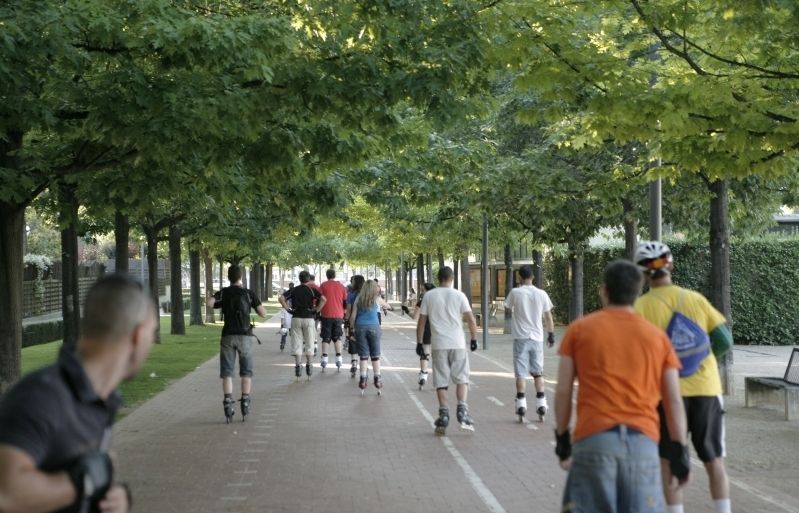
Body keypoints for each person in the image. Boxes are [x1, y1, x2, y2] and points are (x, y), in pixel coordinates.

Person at [0, 274, 156, 513]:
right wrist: (85, 482)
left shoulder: (103, 399)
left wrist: (113, 498)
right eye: (151, 334)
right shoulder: (42, 396)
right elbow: (6, 494)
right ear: (137, 335)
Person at [554, 260, 690, 513]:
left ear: (604, 290)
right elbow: (673, 400)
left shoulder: (579, 330)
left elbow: (563, 391)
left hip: (593, 441)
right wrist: (680, 451)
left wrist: (562, 438)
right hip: (643, 445)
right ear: (638, 292)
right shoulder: (658, 338)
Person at [634, 241, 734, 513]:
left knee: (668, 459)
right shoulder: (694, 299)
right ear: (670, 266)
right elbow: (725, 339)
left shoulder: (639, 308)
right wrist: (701, 359)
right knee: (714, 460)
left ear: (642, 273)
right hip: (706, 389)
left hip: (664, 394)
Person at [416, 266, 478, 434]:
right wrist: (473, 339)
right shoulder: (459, 295)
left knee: (441, 381)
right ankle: (462, 410)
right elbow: (471, 320)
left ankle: (443, 414)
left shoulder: (429, 296)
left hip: (439, 344)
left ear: (438, 278)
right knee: (462, 378)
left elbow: (421, 322)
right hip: (458, 343)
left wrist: (420, 342)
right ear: (452, 278)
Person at [209, 265, 268, 422]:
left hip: (228, 336)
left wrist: (212, 296)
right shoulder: (248, 293)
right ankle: (245, 402)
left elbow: (210, 303)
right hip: (245, 337)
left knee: (227, 372)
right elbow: (263, 313)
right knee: (246, 372)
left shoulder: (224, 293)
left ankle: (228, 402)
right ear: (240, 277)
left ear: (228, 277)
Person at [503, 264, 556, 422]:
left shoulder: (515, 293)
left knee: (521, 372)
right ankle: (541, 403)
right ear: (533, 277)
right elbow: (548, 317)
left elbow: (507, 308)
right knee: (538, 372)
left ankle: (521, 403)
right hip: (537, 338)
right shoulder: (542, 294)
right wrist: (551, 334)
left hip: (521, 337)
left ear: (519, 278)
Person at [349, 279, 393, 394]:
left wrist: (352, 329)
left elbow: (353, 316)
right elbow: (388, 306)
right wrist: (387, 306)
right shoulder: (377, 299)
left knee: (363, 356)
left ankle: (363, 380)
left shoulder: (358, 299)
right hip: (374, 327)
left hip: (360, 327)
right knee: (375, 356)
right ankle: (377, 379)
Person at [281, 270, 326, 381]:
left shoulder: (294, 290)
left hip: (296, 317)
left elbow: (281, 298)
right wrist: (316, 310)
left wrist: (288, 309)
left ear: (299, 279)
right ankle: (309, 366)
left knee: (297, 342)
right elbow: (324, 299)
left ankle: (297, 366)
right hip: (309, 317)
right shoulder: (312, 290)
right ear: (309, 279)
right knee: (309, 342)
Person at [318, 269, 348, 371]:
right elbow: (345, 302)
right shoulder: (341, 287)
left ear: (326, 276)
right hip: (338, 315)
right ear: (334, 276)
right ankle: (339, 358)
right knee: (337, 337)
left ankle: (325, 358)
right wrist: (344, 312)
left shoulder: (323, 286)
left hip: (326, 314)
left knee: (326, 337)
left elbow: (319, 299)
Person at [414, 282, 436, 389]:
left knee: (425, 353)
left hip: (426, 329)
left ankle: (423, 374)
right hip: (439, 330)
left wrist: (406, 310)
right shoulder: (439, 301)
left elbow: (415, 317)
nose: (421, 292)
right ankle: (439, 378)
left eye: (423, 290)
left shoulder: (421, 303)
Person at [344, 275, 365, 378]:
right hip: (364, 322)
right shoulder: (366, 295)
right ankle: (364, 364)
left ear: (355, 283)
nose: (351, 283)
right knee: (364, 344)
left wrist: (346, 320)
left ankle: (353, 362)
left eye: (352, 281)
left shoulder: (351, 295)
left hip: (354, 321)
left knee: (353, 341)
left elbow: (348, 310)